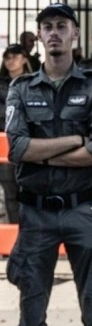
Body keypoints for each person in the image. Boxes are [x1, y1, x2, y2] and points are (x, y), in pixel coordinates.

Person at [5, 2, 92, 326]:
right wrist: (75, 140)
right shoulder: (21, 88)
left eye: (62, 26)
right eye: (48, 26)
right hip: (35, 214)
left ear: (75, 34)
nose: (54, 32)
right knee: (31, 320)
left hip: (82, 210)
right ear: (39, 35)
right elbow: (17, 149)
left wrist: (41, 155)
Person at [0, 44, 32, 224]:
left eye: (15, 56)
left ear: (24, 59)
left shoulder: (35, 81)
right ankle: (15, 229)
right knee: (10, 190)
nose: (11, 61)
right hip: (6, 144)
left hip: (30, 143)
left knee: (30, 190)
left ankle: (31, 230)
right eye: (7, 57)